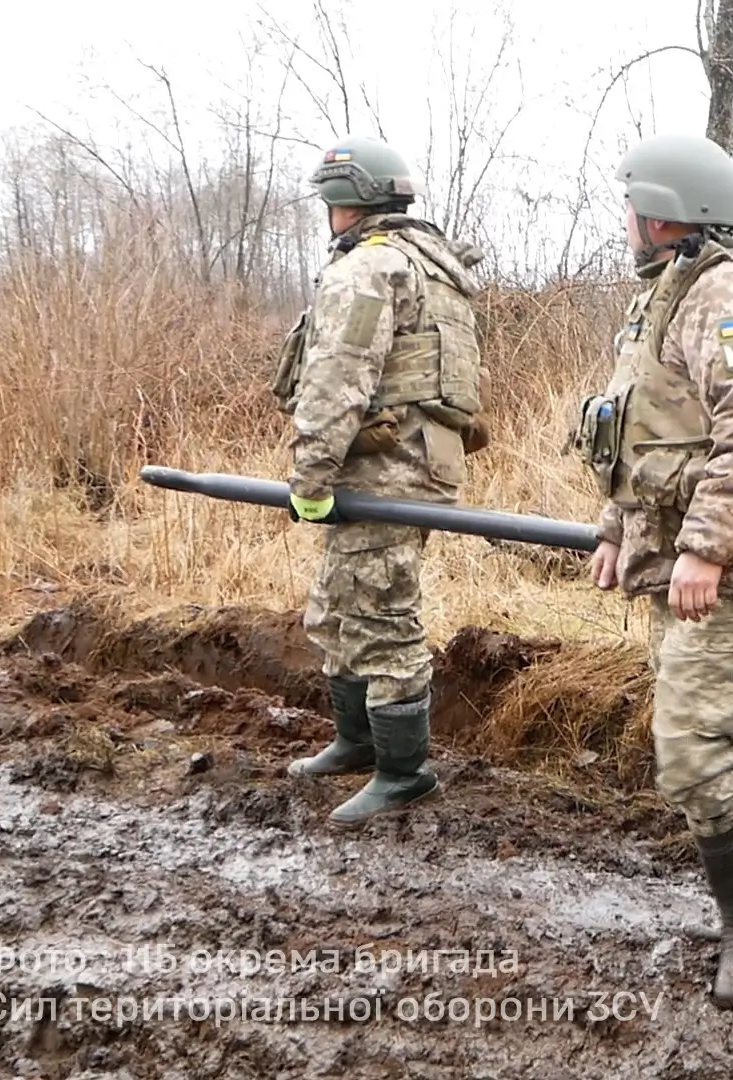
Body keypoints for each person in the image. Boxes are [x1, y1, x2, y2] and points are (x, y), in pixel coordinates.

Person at [573, 131, 733, 1009]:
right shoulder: (665, 298)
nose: (626, 222)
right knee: (721, 744)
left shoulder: (728, 300)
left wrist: (705, 546)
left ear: (664, 214)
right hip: (677, 560)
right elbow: (639, 435)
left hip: (729, 566)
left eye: (631, 208)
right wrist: (616, 527)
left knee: (689, 755)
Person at [268, 134, 489, 827]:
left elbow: (336, 380)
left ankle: (403, 772)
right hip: (405, 465)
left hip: (385, 470)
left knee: (380, 616)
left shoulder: (369, 269)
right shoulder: (432, 265)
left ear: (345, 204)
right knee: (339, 604)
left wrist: (309, 477)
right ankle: (356, 741)